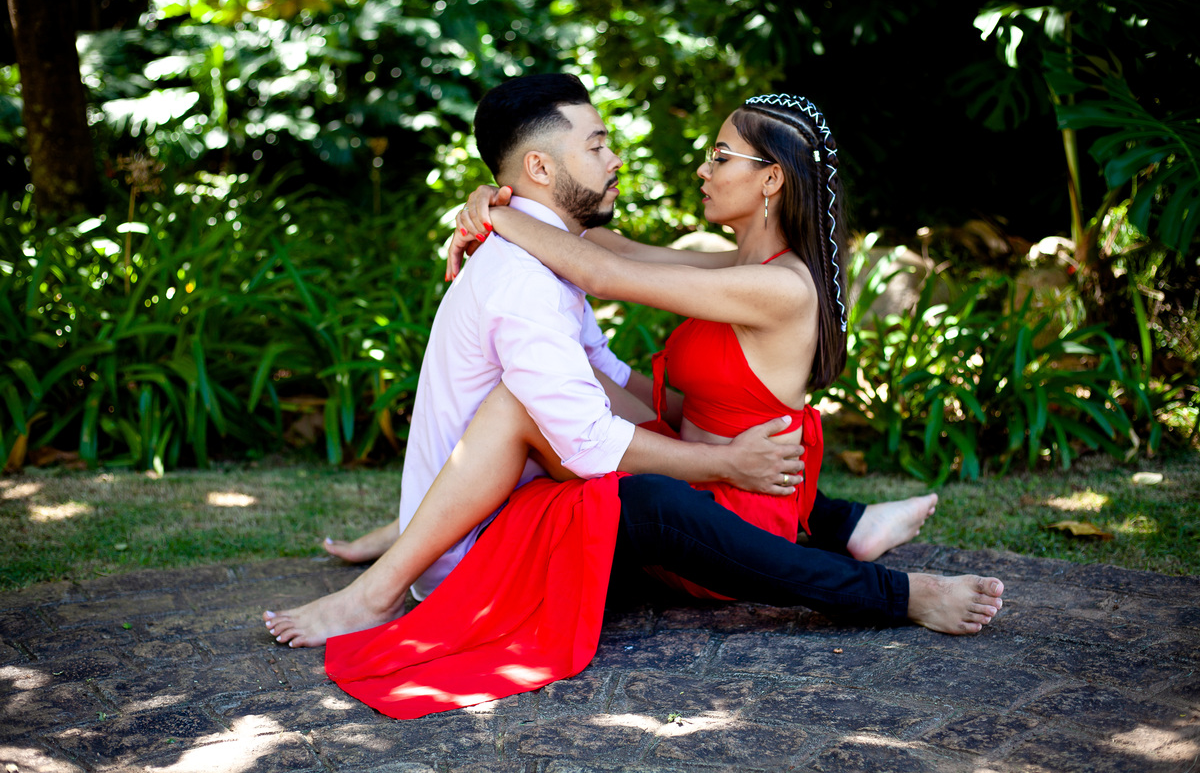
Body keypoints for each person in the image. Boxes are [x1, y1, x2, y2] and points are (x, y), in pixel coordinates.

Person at [266, 77, 1004, 719]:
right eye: (598, 145)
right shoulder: (724, 264)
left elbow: (602, 273)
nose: (701, 168)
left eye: (721, 157)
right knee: (572, 410)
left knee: (620, 472)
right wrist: (490, 200)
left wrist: (497, 214)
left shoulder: (775, 285)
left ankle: (892, 588)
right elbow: (606, 257)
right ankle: (850, 524)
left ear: (772, 179)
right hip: (729, 468)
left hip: (745, 489)